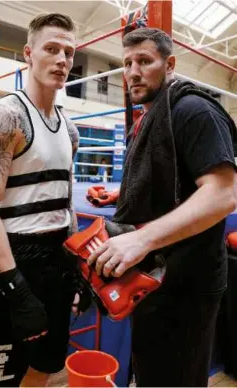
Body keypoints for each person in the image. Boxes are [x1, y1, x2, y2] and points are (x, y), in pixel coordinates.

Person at [88, 28, 237, 387]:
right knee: (153, 372)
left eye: (144, 61)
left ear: (169, 64)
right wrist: (121, 197)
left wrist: (141, 240)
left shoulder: (193, 111)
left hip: (185, 287)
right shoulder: (151, 116)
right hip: (154, 279)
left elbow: (223, 194)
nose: (133, 72)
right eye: (126, 63)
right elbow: (170, 184)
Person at [0, 12, 80, 387]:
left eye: (69, 52)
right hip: (11, 262)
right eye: (51, 49)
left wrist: (75, 268)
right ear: (29, 54)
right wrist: (15, 288)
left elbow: (66, 203)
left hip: (56, 262)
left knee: (43, 367)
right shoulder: (5, 117)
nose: (61, 59)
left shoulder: (71, 129)